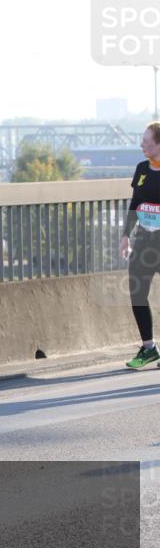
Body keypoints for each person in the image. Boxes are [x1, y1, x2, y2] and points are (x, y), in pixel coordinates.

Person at [121, 121, 160, 369]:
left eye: (147, 142)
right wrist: (125, 235)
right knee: (137, 293)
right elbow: (135, 203)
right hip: (144, 240)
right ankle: (149, 349)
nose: (141, 145)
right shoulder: (142, 169)